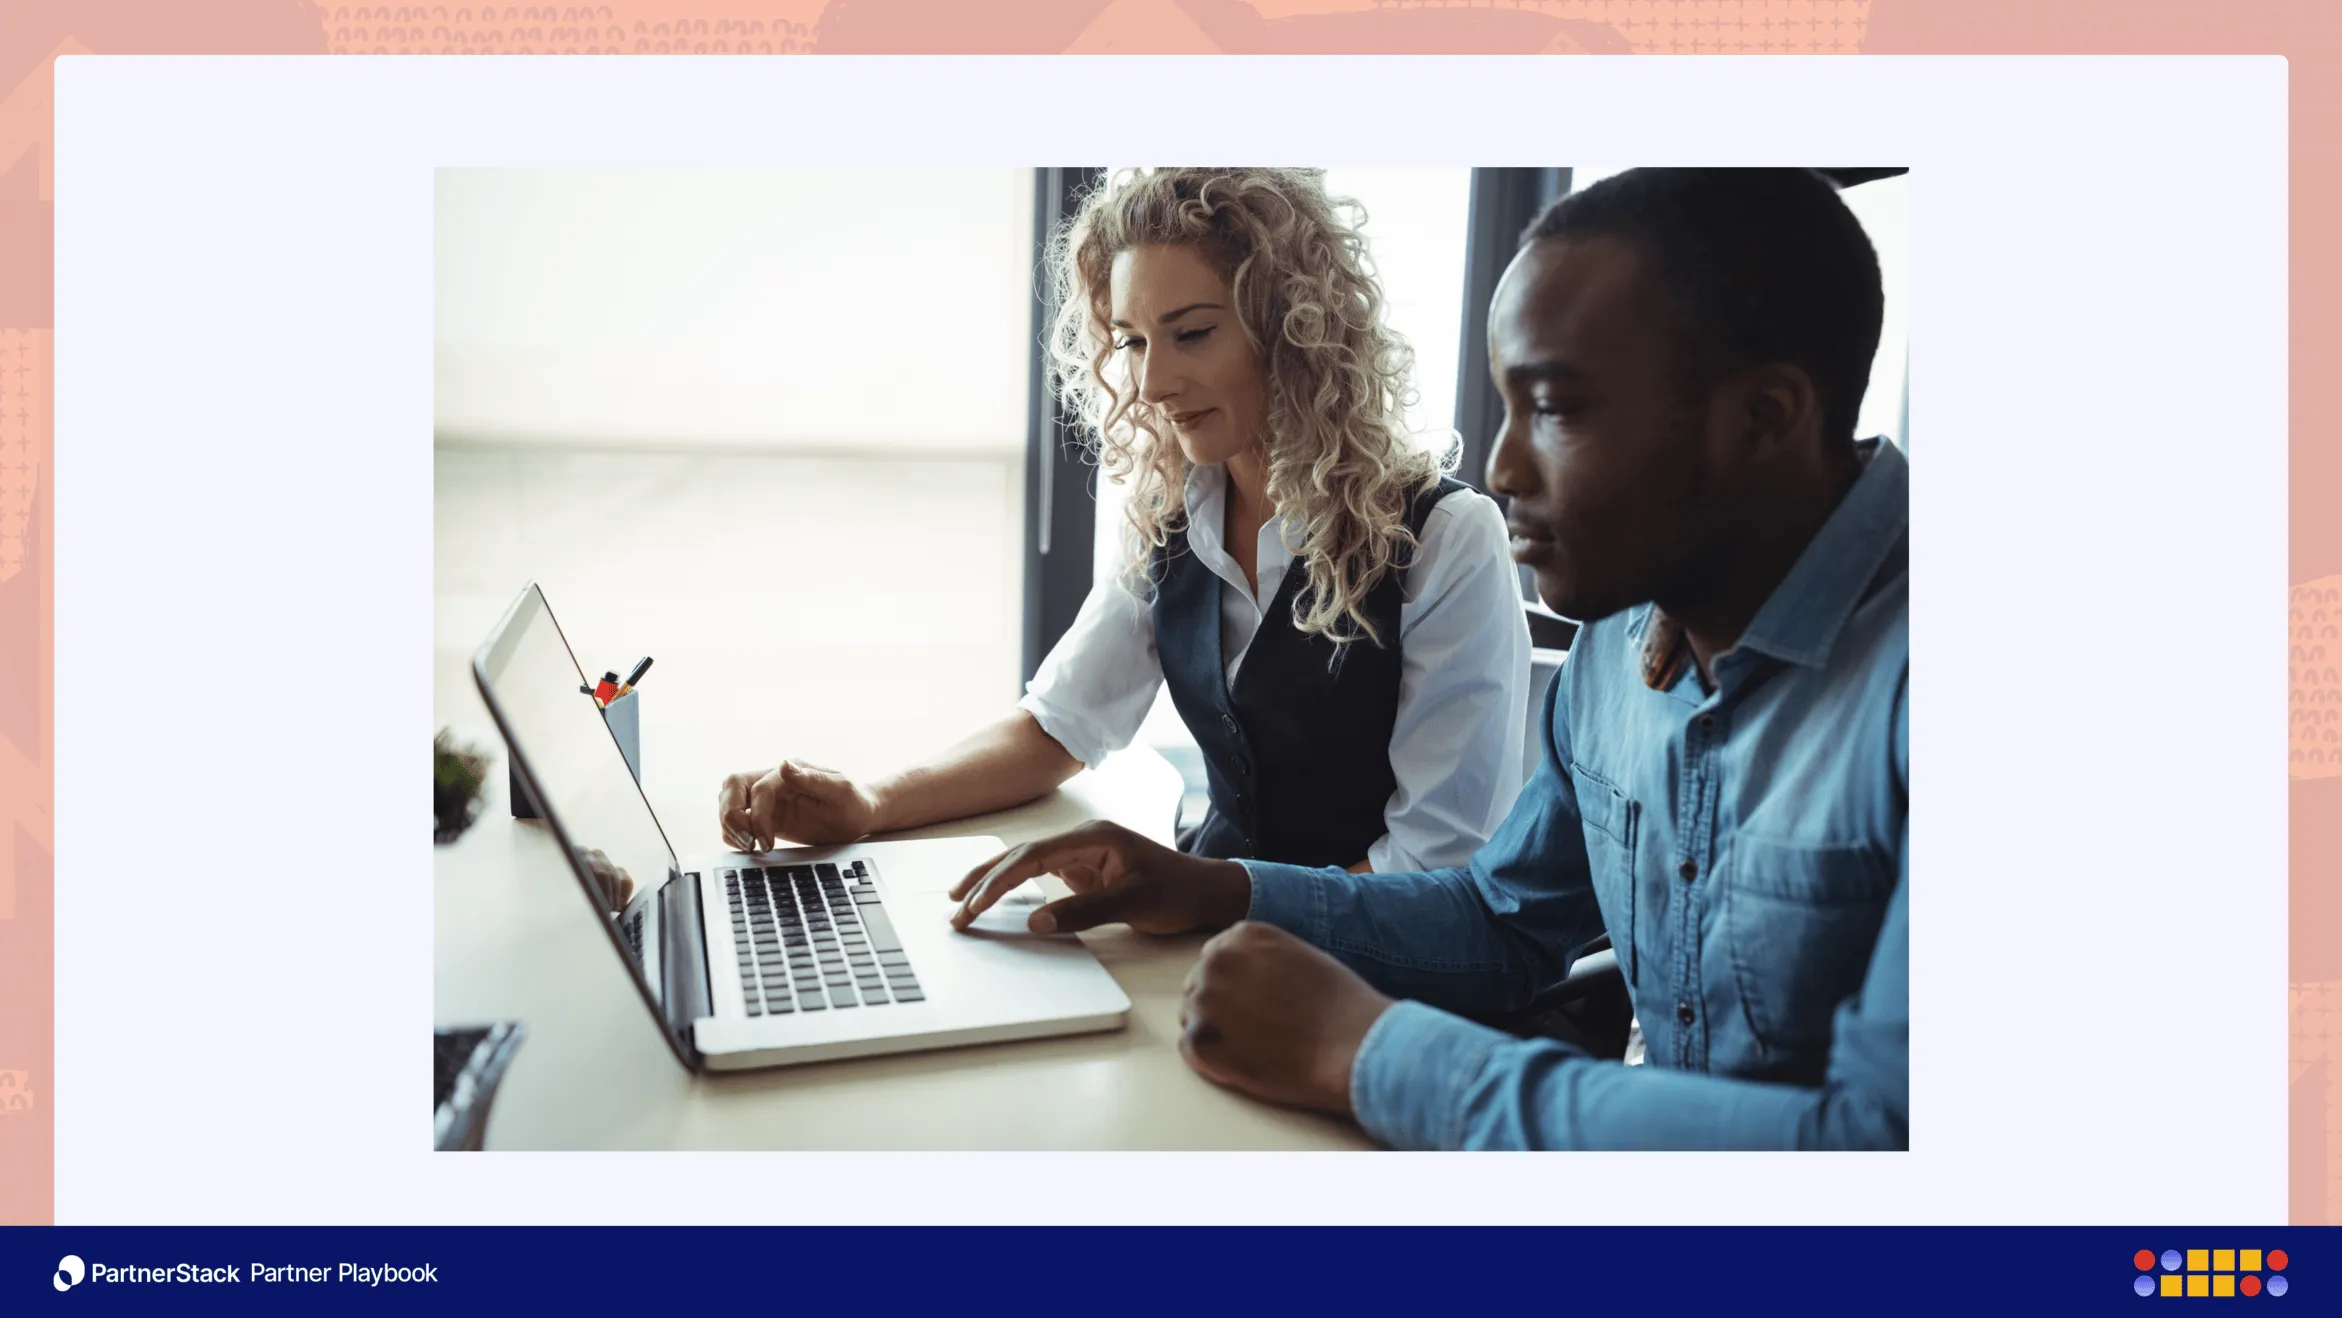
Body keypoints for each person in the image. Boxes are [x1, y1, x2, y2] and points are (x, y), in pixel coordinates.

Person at [949, 168, 1908, 1151]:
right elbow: (1499, 922)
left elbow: (1878, 1147)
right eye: (1506, 406)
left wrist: (1368, 1051)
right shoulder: (1617, 647)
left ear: (1764, 419)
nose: (1501, 470)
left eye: (1559, 409)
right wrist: (1214, 889)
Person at [719, 168, 1530, 876]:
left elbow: (1437, 862)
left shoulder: (1445, 539)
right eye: (1135, 342)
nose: (1150, 383)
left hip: (1371, 981)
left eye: (1193, 333)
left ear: (1295, 329)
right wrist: (869, 802)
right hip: (1212, 941)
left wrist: (1205, 910)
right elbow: (1060, 724)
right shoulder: (1176, 521)